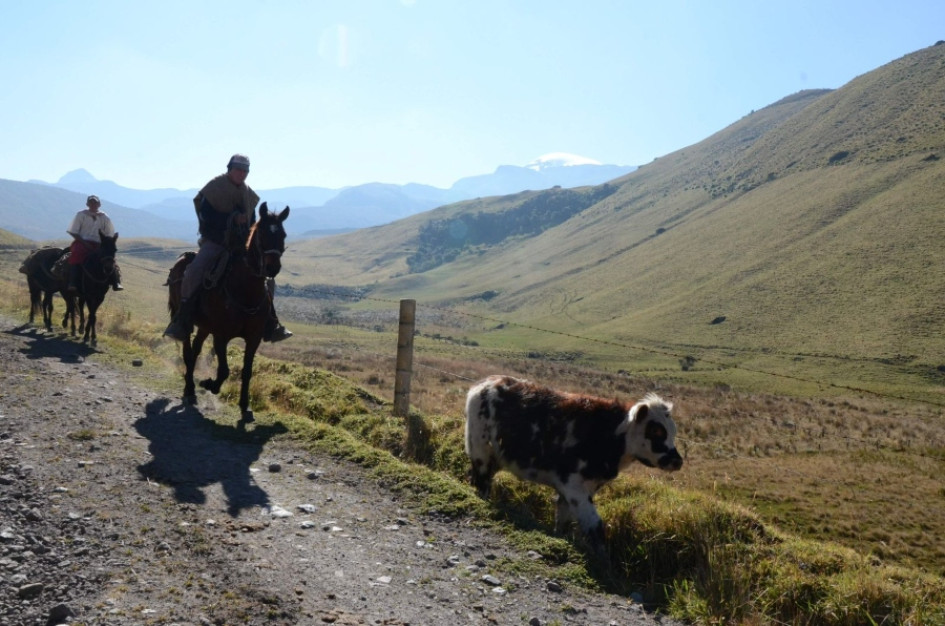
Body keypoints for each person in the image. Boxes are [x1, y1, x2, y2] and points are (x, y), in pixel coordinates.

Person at [163, 154, 292, 342]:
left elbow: (252, 222)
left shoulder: (248, 194)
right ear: (230, 169)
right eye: (238, 169)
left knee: (263, 277)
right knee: (194, 270)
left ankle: (271, 323)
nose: (242, 173)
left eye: (245, 170)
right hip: (215, 241)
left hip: (240, 245)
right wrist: (231, 218)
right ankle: (182, 319)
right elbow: (206, 215)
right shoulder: (215, 187)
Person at [66, 195, 123, 292]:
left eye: (95, 203)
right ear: (87, 204)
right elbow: (73, 231)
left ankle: (115, 281)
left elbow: (109, 233)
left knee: (109, 257)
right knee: (76, 255)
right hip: (82, 242)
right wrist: (84, 243)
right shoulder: (81, 215)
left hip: (99, 243)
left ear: (99, 204)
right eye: (91, 202)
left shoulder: (104, 217)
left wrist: (107, 242)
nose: (93, 204)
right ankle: (73, 282)